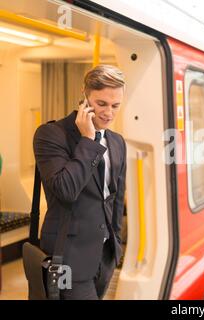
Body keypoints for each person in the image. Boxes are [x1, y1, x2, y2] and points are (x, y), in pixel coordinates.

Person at [33, 65, 127, 300]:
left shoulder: (117, 142)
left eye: (115, 106)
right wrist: (88, 139)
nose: (109, 113)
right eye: (101, 103)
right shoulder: (52, 135)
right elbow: (66, 190)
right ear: (84, 98)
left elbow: (115, 198)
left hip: (104, 257)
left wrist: (116, 244)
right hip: (69, 258)